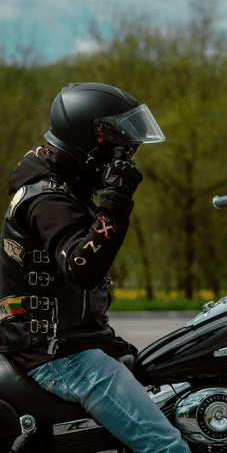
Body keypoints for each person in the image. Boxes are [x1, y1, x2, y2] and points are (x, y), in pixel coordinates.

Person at [0, 82, 190, 453]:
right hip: (59, 357)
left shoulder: (64, 188)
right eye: (122, 147)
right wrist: (116, 198)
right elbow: (81, 266)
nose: (130, 156)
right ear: (92, 143)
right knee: (167, 447)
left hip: (75, 347)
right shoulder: (48, 197)